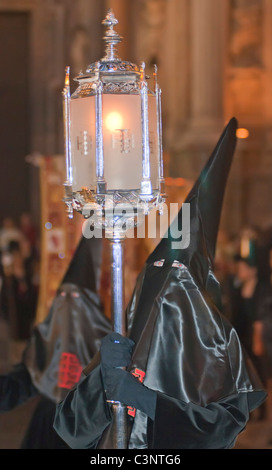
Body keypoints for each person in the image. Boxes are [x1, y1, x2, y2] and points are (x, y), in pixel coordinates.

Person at [53, 118, 267, 450]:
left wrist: (149, 402)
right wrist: (100, 379)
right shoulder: (128, 332)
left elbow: (223, 429)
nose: (165, 288)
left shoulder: (221, 345)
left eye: (177, 277)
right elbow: (70, 427)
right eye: (157, 272)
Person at [0, 236, 111, 449]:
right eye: (63, 297)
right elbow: (20, 384)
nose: (70, 309)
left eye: (79, 300)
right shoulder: (45, 341)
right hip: (47, 426)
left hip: (85, 429)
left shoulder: (106, 343)